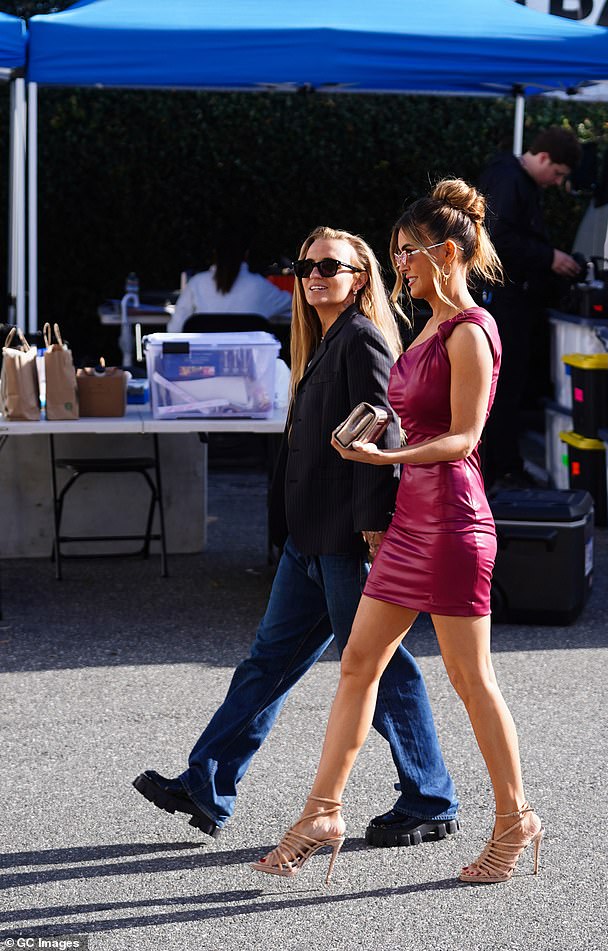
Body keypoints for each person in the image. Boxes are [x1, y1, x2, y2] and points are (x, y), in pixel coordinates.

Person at [252, 180, 543, 886]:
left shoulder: (472, 329)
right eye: (397, 255)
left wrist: (386, 456)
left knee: (473, 680)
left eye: (408, 253)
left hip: (451, 519)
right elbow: (413, 414)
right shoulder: (425, 329)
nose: (401, 266)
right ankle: (324, 811)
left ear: (447, 253)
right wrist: (380, 432)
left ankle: (515, 817)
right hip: (413, 516)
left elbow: (464, 438)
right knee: (358, 664)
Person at [134, 225, 459, 847]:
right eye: (306, 265)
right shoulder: (323, 339)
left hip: (346, 540)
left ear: (360, 278)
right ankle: (204, 783)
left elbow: (383, 431)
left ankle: (431, 798)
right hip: (307, 542)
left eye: (329, 267)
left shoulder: (362, 339)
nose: (313, 276)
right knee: (267, 665)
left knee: (382, 672)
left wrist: (372, 528)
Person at [478, 126, 582, 492]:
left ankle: (501, 465)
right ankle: (498, 469)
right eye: (558, 174)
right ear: (543, 158)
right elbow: (498, 240)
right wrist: (549, 257)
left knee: (505, 389)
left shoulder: (508, 176)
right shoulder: (510, 180)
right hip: (503, 303)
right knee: (502, 390)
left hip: (508, 302)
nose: (556, 182)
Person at [168, 230, 292, 332]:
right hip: (249, 361)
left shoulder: (197, 283)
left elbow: (174, 329)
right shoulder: (259, 286)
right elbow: (292, 303)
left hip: (204, 360)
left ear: (214, 254)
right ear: (246, 254)